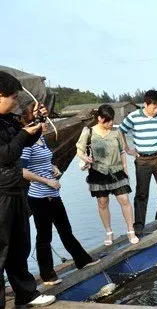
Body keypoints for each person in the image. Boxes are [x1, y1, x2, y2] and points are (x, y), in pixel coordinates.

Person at [22, 118, 101, 286]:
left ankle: (82, 260)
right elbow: (23, 171)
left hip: (53, 193)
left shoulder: (41, 139)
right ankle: (47, 275)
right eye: (41, 122)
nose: (45, 125)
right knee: (44, 236)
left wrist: (53, 167)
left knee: (65, 229)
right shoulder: (27, 143)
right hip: (38, 196)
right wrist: (46, 181)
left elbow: (44, 161)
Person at [0, 71, 56, 308]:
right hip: (0, 194)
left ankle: (26, 293)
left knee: (19, 244)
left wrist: (35, 122)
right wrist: (24, 133)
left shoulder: (6, 119)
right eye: (12, 97)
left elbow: (25, 142)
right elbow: (6, 154)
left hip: (15, 190)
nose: (15, 101)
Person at [76, 104, 139, 246]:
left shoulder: (116, 133)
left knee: (124, 199)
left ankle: (131, 230)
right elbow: (79, 151)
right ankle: (109, 233)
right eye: (108, 120)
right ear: (99, 118)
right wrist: (85, 158)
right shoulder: (88, 132)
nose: (111, 123)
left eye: (112, 120)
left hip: (117, 171)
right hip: (98, 172)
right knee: (102, 202)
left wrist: (125, 171)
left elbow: (122, 152)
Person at [119, 90, 157, 236]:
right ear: (145, 104)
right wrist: (126, 148)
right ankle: (138, 225)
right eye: (154, 107)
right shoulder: (134, 117)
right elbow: (121, 131)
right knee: (141, 193)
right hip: (142, 159)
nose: (156, 110)